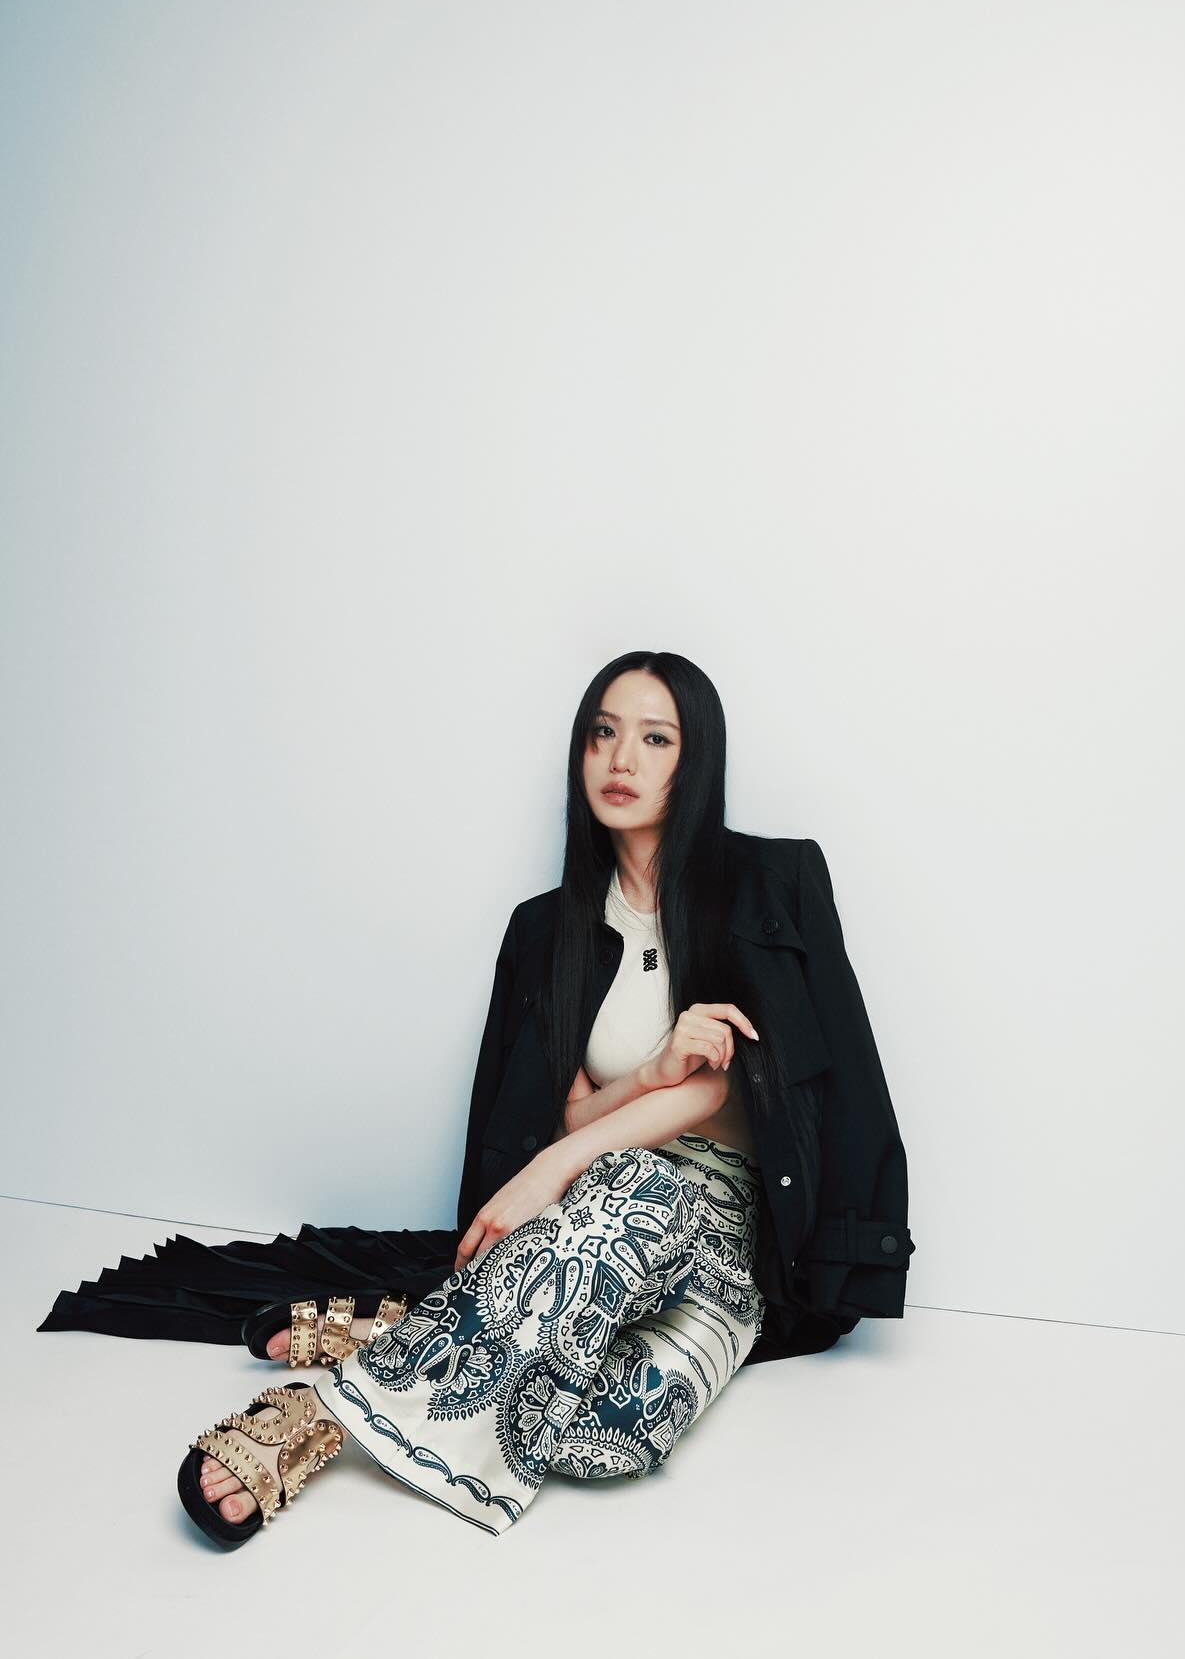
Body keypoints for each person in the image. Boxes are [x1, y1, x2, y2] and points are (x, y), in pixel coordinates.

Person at [41, 650, 915, 1543]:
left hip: (729, 1237)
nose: (621, 760)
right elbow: (573, 1112)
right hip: (604, 1208)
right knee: (633, 1199)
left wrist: (555, 1164)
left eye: (656, 738)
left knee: (609, 1439)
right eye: (603, 733)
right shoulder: (549, 930)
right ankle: (324, 1411)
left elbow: (740, 1091)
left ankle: (404, 1336)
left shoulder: (772, 883)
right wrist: (644, 1081)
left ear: (697, 761)